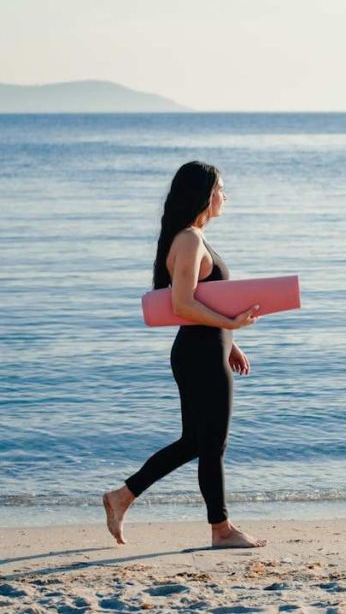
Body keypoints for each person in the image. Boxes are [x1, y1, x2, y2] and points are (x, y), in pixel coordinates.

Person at [102, 161, 267, 549]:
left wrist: (231, 340)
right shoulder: (190, 240)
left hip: (206, 350)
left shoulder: (194, 237)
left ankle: (121, 497)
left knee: (196, 442)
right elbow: (182, 304)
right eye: (222, 189)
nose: (226, 196)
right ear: (205, 194)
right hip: (199, 354)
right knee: (212, 444)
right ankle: (221, 530)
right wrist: (232, 323)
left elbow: (202, 301)